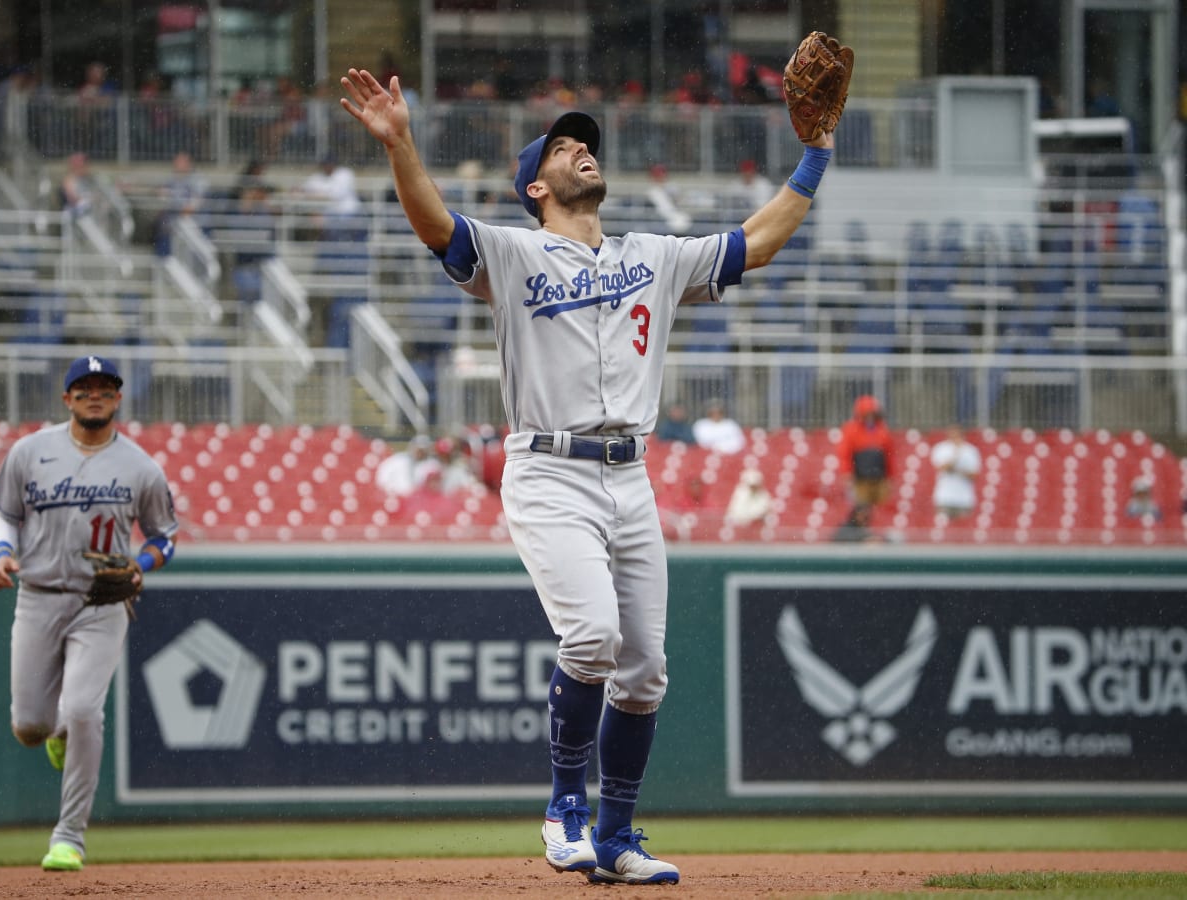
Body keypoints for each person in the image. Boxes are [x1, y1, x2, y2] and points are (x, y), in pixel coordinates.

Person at [340, 60, 834, 885]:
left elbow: (756, 244)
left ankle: (616, 837)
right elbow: (436, 228)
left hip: (629, 474)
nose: (582, 153)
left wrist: (815, 156)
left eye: (585, 144)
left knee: (644, 672)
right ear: (535, 186)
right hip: (549, 470)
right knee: (594, 638)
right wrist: (400, 145)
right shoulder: (513, 254)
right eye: (564, 148)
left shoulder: (655, 254)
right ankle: (564, 806)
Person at [0, 355, 179, 872]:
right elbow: (2, 513)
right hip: (39, 595)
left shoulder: (140, 466)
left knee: (82, 711)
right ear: (67, 398)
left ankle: (68, 837)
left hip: (103, 601)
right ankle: (52, 735)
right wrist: (2, 553)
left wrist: (141, 564)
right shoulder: (30, 452)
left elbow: (165, 536)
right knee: (29, 724)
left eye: (105, 387)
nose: (95, 395)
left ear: (118, 399)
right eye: (84, 387)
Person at [836, 394, 894, 520]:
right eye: (867, 414)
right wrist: (846, 472)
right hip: (860, 478)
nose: (870, 417)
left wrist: (890, 475)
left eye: (872, 414)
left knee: (881, 508)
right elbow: (845, 453)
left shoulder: (882, 430)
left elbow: (889, 455)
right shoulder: (851, 430)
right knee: (862, 508)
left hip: (879, 477)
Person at [930, 423, 981, 520]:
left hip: (964, 499)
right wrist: (955, 456)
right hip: (944, 497)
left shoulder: (971, 450)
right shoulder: (941, 448)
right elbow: (941, 468)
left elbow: (974, 475)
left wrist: (958, 470)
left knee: (963, 530)